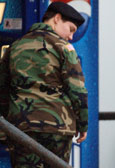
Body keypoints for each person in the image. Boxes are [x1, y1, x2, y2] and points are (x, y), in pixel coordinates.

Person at [0, 2, 88, 167]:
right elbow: (77, 90)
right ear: (57, 19)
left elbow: (3, 89)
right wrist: (82, 124)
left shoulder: (15, 46)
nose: (71, 37)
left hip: (21, 127)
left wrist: (7, 123)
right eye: (71, 29)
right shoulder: (63, 48)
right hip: (57, 128)